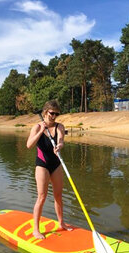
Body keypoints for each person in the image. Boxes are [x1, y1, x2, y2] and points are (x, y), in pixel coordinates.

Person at [26, 100, 73, 239]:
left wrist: (59, 145)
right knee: (42, 196)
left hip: (56, 163)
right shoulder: (36, 127)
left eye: (56, 114)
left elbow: (61, 140)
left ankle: (61, 223)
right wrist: (40, 131)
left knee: (58, 196)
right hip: (42, 164)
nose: (54, 116)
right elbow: (29, 145)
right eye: (52, 113)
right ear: (46, 112)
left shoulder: (59, 126)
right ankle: (36, 229)